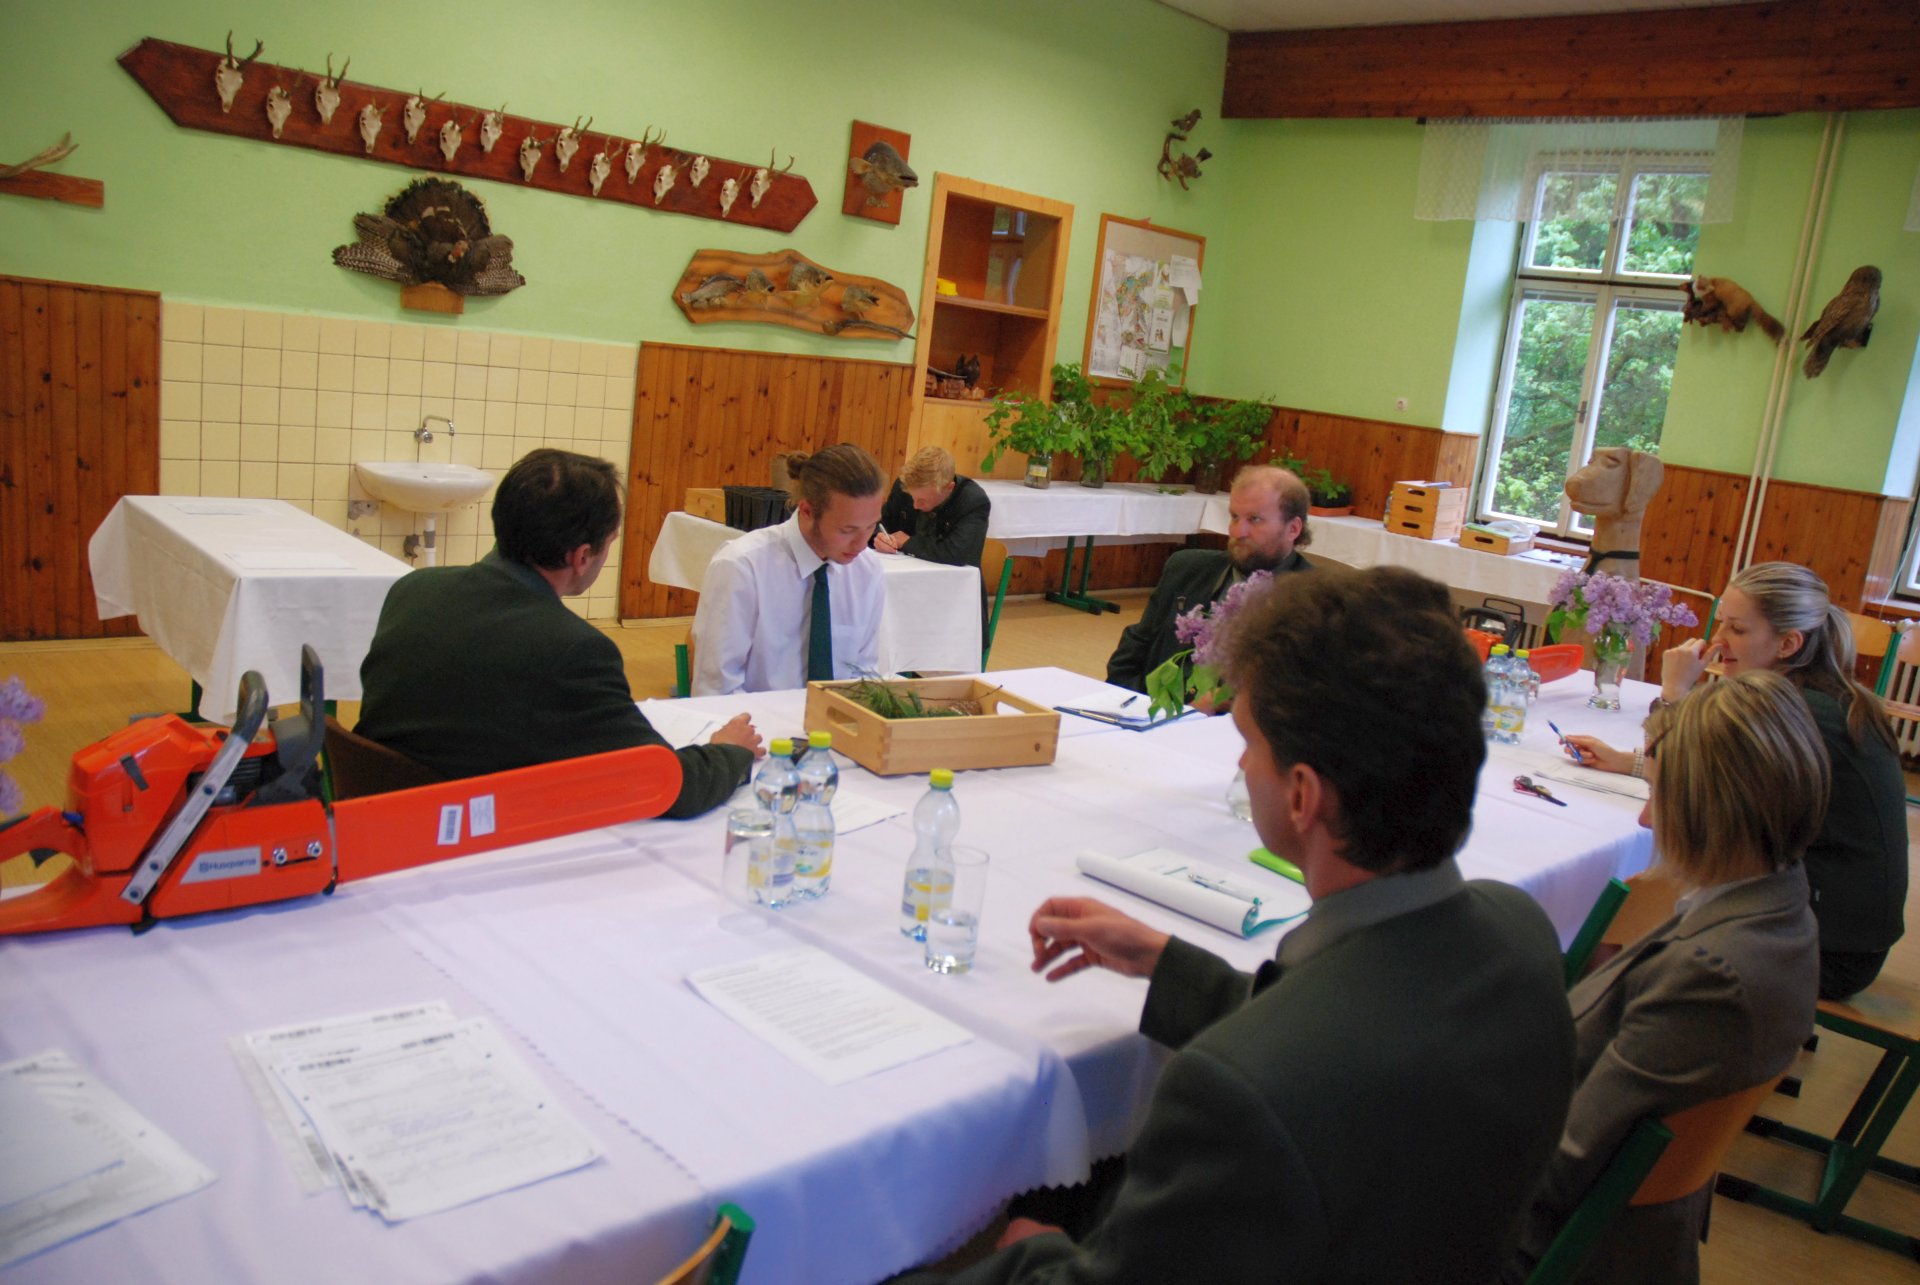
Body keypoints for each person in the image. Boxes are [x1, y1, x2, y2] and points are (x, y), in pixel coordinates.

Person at [904, 567, 1576, 1284]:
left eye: (1249, 741)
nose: (1241, 762)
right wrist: (1162, 959)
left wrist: (1034, 1251)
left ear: (1302, 795)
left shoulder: (1236, 1094)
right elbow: (1338, 1034)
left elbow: (1287, 1069)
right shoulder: (1521, 934)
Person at [1508, 671, 1826, 1285]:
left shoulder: (1713, 976)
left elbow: (1563, 1168)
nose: (1646, 819)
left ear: (1716, 812)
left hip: (1549, 1250)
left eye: (1657, 794)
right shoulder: (1779, 909)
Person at [357, 449, 762, 820]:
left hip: (378, 806)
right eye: (608, 544)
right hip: (466, 830)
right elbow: (666, 785)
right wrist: (728, 751)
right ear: (582, 556)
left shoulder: (415, 588)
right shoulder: (571, 648)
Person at [1562, 562, 1905, 999]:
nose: (1718, 639)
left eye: (1737, 629)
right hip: (1842, 932)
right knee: (1634, 910)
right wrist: (1627, 762)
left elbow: (1682, 783)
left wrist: (1674, 694)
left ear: (1788, 643)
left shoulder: (1793, 711)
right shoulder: (1823, 699)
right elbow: (1724, 772)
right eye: (1721, 621)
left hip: (1826, 949)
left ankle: (1599, 1014)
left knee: (1611, 919)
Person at [691, 444, 887, 695]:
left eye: (871, 527)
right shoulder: (742, 567)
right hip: (756, 716)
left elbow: (864, 673)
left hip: (834, 715)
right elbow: (717, 689)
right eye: (847, 530)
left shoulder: (867, 570)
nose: (861, 544)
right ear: (807, 511)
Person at [1104, 463, 1312, 695]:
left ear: (1293, 529)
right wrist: (1144, 705)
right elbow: (1134, 649)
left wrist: (1218, 708)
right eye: (1234, 517)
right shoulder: (1187, 568)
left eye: (1254, 519)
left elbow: (1301, 696)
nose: (1237, 532)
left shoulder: (1312, 600)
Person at [872, 446, 991, 569]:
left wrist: (907, 542)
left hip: (952, 578)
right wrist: (880, 538)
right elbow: (877, 523)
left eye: (923, 501)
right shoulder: (904, 486)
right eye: (912, 497)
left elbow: (958, 552)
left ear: (949, 488)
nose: (915, 505)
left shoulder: (973, 501)